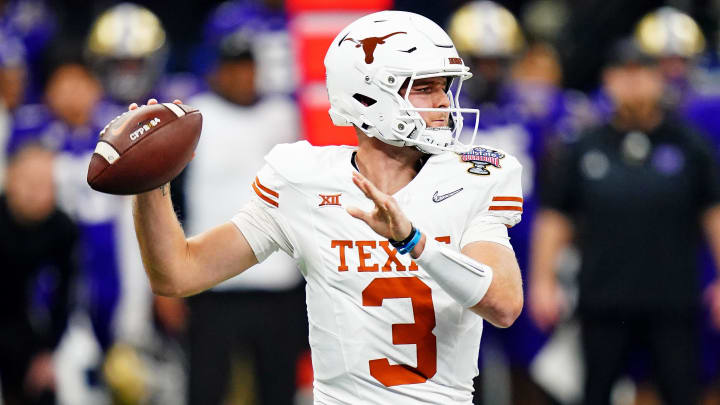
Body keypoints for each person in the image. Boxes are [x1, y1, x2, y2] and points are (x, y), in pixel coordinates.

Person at [131, 10, 523, 404]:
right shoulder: (303, 180)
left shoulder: (473, 177)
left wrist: (414, 241)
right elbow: (178, 273)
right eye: (424, 88)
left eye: (443, 87)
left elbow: (504, 304)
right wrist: (149, 183)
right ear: (369, 95)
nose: (442, 102)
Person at [528, 39, 720, 405]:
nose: (633, 83)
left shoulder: (690, 145)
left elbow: (714, 212)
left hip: (673, 300)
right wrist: (542, 282)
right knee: (595, 393)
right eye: (623, 74)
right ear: (608, 80)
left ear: (658, 79)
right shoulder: (583, 145)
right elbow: (555, 217)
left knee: (682, 393)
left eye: (642, 73)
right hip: (603, 299)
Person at [182, 31, 305, 404]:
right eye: (232, 69)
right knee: (206, 390)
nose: (241, 78)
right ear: (217, 72)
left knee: (279, 389)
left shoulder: (284, 115)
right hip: (212, 283)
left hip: (278, 285)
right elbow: (174, 198)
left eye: (248, 68)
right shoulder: (194, 116)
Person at [0, 143, 78, 405]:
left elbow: (66, 295)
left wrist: (47, 353)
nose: (37, 193)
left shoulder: (63, 229)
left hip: (25, 327)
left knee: (44, 386)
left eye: (46, 185)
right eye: (29, 183)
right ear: (9, 179)